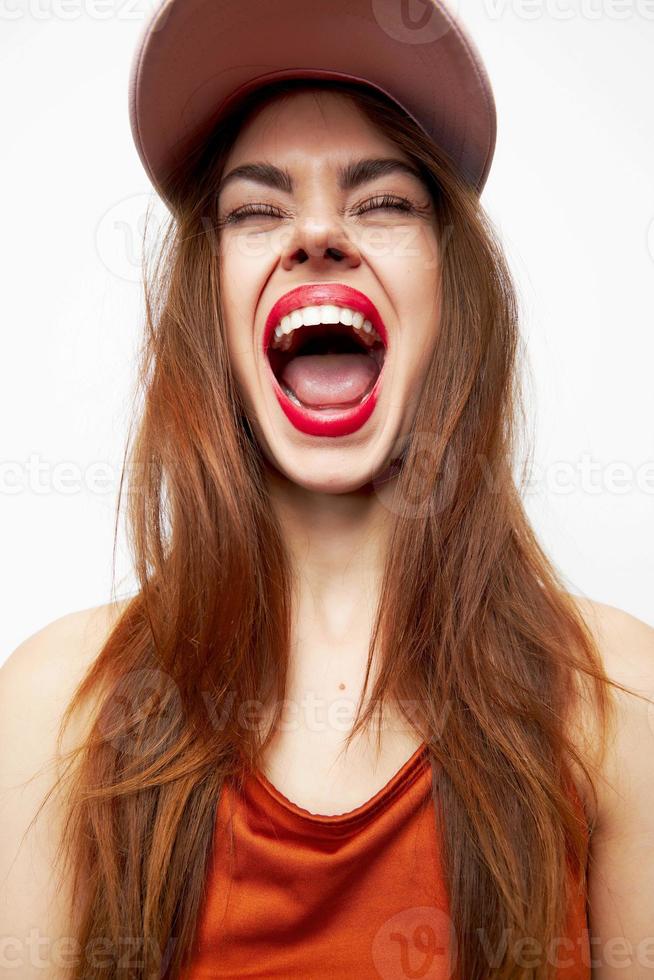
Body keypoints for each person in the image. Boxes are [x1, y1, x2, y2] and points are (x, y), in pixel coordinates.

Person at [2, 1, 653, 978]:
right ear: (209, 303)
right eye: (258, 209)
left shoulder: (615, 699)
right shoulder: (56, 707)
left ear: (450, 291)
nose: (314, 232)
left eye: (382, 201)